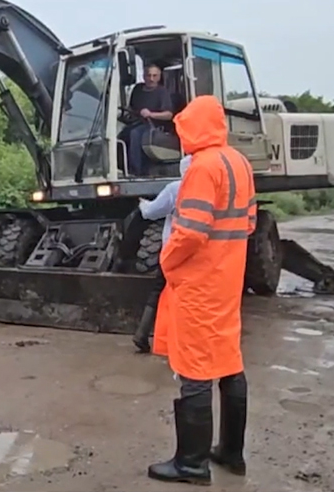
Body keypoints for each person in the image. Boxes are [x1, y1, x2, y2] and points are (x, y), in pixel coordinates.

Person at [146, 95, 255, 485]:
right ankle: (231, 453)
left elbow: (189, 230)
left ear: (194, 127)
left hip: (199, 286)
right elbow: (249, 222)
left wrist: (167, 260)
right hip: (227, 281)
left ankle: (191, 464)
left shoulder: (203, 168)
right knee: (229, 362)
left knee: (194, 369)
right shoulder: (239, 163)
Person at [132, 153, 192, 354]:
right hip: (199, 251)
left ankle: (142, 334)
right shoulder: (210, 188)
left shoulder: (175, 188)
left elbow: (151, 212)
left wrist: (142, 204)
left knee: (160, 289)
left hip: (174, 248)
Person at [120, 64, 175, 176]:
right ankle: (120, 169)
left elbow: (169, 115)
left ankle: (137, 172)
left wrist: (151, 114)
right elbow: (131, 108)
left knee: (135, 134)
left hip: (154, 127)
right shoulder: (137, 89)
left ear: (159, 77)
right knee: (120, 135)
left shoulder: (162, 92)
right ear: (143, 76)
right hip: (135, 122)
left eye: (155, 76)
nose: (151, 79)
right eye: (148, 75)